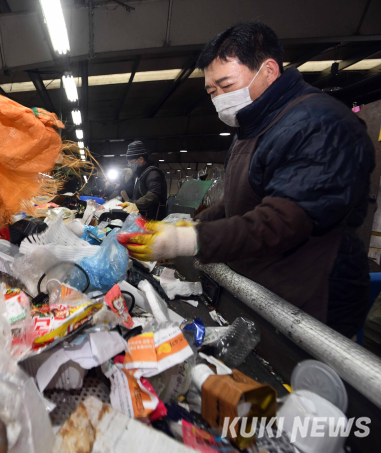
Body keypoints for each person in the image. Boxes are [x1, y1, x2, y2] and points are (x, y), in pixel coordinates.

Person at [118, 21, 375, 337]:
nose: (219, 99)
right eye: (212, 91)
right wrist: (183, 227)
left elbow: (281, 222)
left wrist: (188, 240)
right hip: (265, 288)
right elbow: (239, 204)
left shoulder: (320, 124)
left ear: (268, 70)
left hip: (312, 295)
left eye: (226, 86)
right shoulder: (251, 128)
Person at [121, 141, 167, 219]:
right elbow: (139, 196)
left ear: (141, 159)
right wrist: (128, 203)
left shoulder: (153, 173)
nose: (130, 165)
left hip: (152, 221)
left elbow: (153, 195)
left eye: (131, 162)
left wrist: (133, 205)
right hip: (142, 218)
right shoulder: (140, 175)